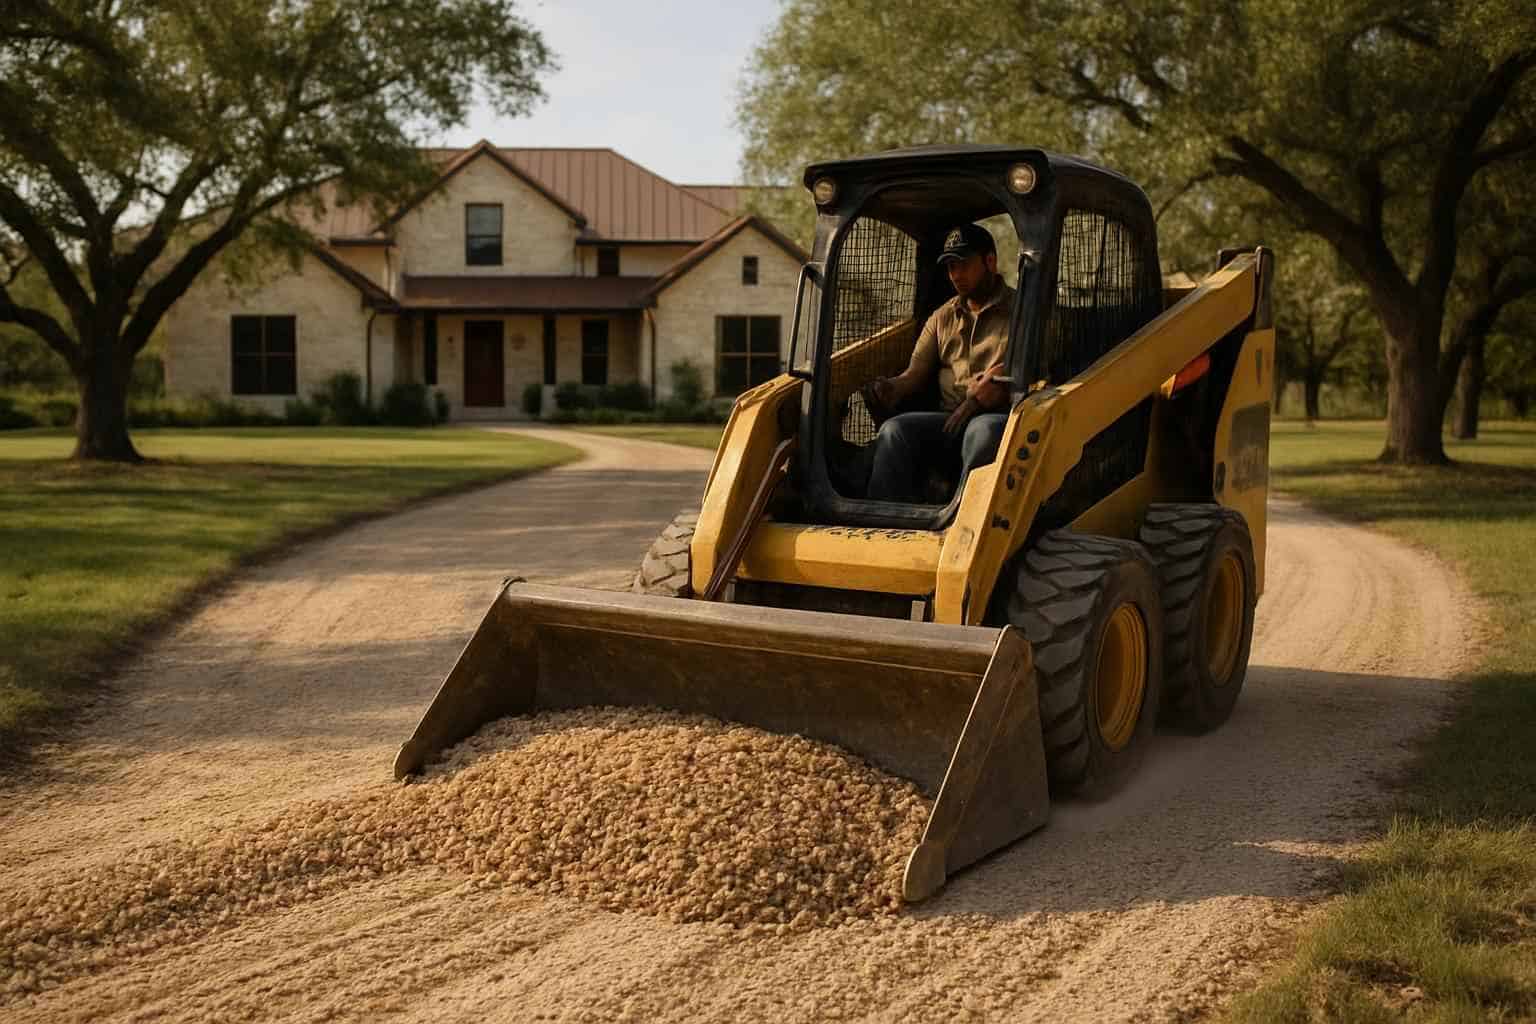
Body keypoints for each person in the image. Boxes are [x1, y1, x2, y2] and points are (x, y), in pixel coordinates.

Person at [863, 222, 1013, 503]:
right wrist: (889, 387)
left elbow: (1028, 370)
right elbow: (914, 374)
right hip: (948, 420)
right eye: (951, 267)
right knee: (894, 431)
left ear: (990, 261)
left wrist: (981, 397)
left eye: (964, 265)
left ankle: (963, 516)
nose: (956, 275)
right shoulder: (942, 317)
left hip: (1001, 420)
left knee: (983, 432)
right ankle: (884, 518)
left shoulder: (1022, 311)